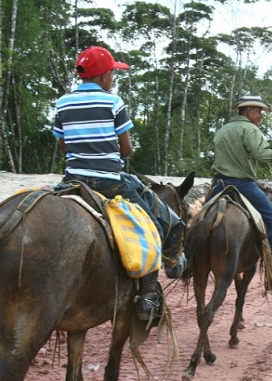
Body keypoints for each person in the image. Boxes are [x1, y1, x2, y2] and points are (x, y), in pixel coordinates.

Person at [52, 45, 185, 322]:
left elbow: (64, 148)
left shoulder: (62, 103)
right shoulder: (114, 103)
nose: (113, 78)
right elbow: (126, 150)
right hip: (110, 183)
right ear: (102, 77)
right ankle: (148, 293)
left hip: (72, 181)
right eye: (112, 73)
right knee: (151, 225)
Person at [208, 93, 272, 279]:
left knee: (199, 219)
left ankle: (187, 256)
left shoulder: (222, 130)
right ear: (249, 110)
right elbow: (262, 155)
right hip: (242, 185)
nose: (261, 115)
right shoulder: (251, 130)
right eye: (259, 111)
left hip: (219, 184)